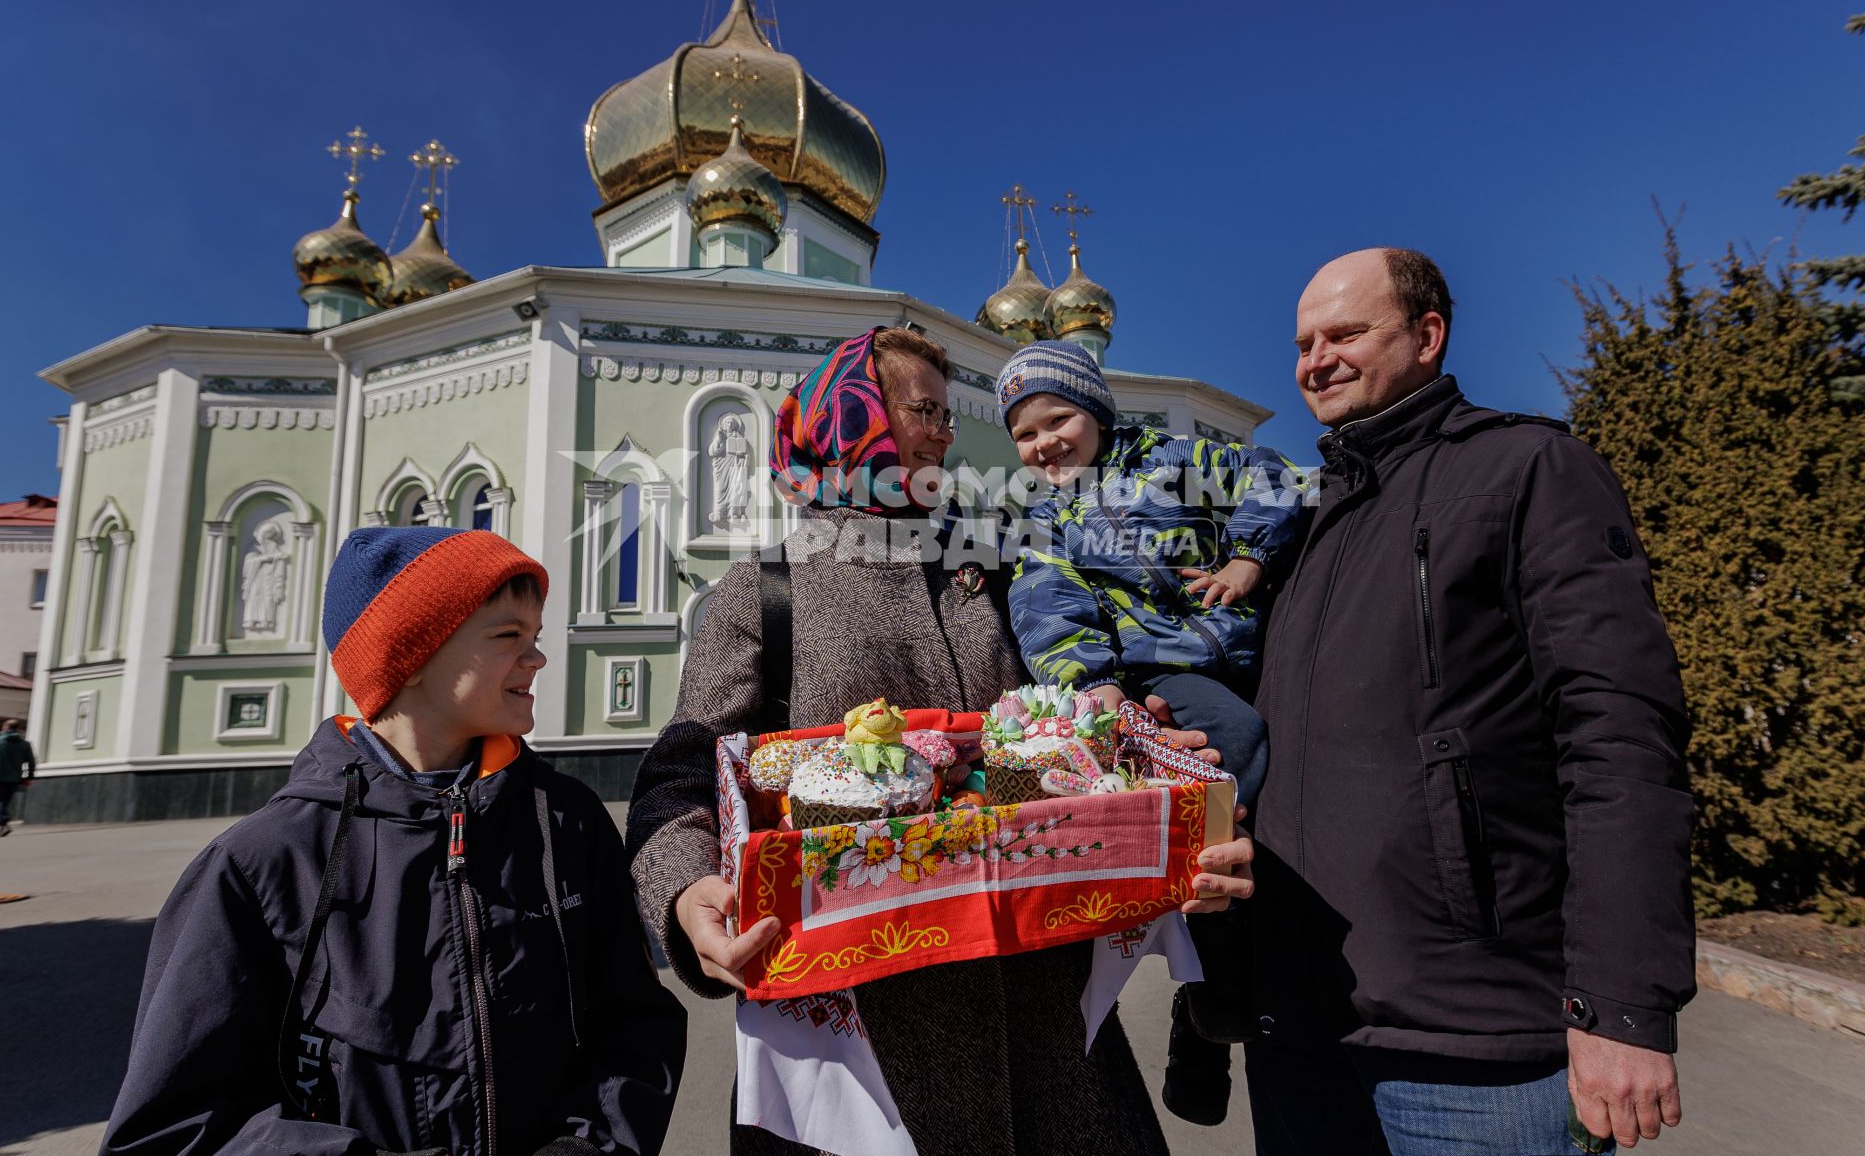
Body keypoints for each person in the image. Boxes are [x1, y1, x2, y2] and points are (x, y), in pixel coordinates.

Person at [625, 325, 1253, 1156]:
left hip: (1049, 1025)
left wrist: (1154, 756)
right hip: (854, 1039)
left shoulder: (997, 571)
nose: (945, 434)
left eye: (946, 416)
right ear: (857, 420)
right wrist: (684, 894)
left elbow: (1079, 720)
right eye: (924, 411)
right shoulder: (766, 591)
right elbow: (683, 771)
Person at [1245, 248, 1694, 1154]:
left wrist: (1620, 1007)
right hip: (1301, 1029)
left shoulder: (1527, 471)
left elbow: (1619, 737)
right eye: (1303, 343)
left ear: (1427, 336)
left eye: (1345, 333)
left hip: (1480, 1047)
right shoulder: (1307, 528)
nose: (1315, 360)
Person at [102, 526, 687, 1156]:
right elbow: (171, 1128)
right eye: (507, 637)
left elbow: (634, 1027)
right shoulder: (265, 860)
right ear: (411, 655)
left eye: (535, 638)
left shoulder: (565, 821)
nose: (537, 659)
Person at [994, 339, 1305, 1125]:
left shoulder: (1176, 459)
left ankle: (1209, 1016)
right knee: (1234, 747)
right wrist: (1094, 689)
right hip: (1158, 674)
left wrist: (1247, 559)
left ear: (1095, 410)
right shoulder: (1045, 518)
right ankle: (1212, 979)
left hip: (1240, 647)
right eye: (1025, 436)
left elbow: (1274, 479)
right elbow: (1047, 611)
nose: (1044, 444)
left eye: (1058, 418)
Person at [0, 717, 35, 836]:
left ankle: (4, 824)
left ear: (4, 728)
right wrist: (26, 777)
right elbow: (28, 763)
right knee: (2, 803)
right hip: (13, 778)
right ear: (18, 729)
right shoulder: (25, 744)